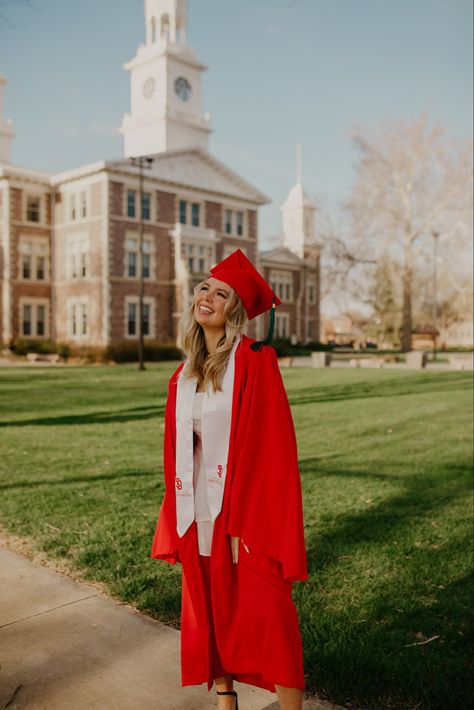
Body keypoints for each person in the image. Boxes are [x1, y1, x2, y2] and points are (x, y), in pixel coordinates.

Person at [151, 248, 308, 710]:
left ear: (234, 311)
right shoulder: (184, 374)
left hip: (243, 512)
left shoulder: (257, 362)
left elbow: (273, 449)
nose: (208, 296)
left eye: (221, 293)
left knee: (268, 611)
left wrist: (245, 521)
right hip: (197, 507)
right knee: (209, 606)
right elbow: (178, 454)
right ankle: (226, 700)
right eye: (205, 287)